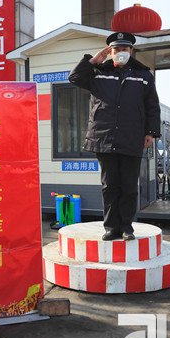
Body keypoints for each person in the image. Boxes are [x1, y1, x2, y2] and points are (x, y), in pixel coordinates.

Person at [68, 32, 160, 241]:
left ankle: (127, 227)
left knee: (128, 186)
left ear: (131, 51)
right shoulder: (98, 72)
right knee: (109, 186)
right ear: (110, 52)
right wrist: (93, 61)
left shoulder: (143, 75)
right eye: (116, 49)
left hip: (132, 137)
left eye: (124, 49)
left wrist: (151, 132)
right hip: (103, 137)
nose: (121, 52)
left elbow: (152, 106)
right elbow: (74, 78)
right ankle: (111, 227)